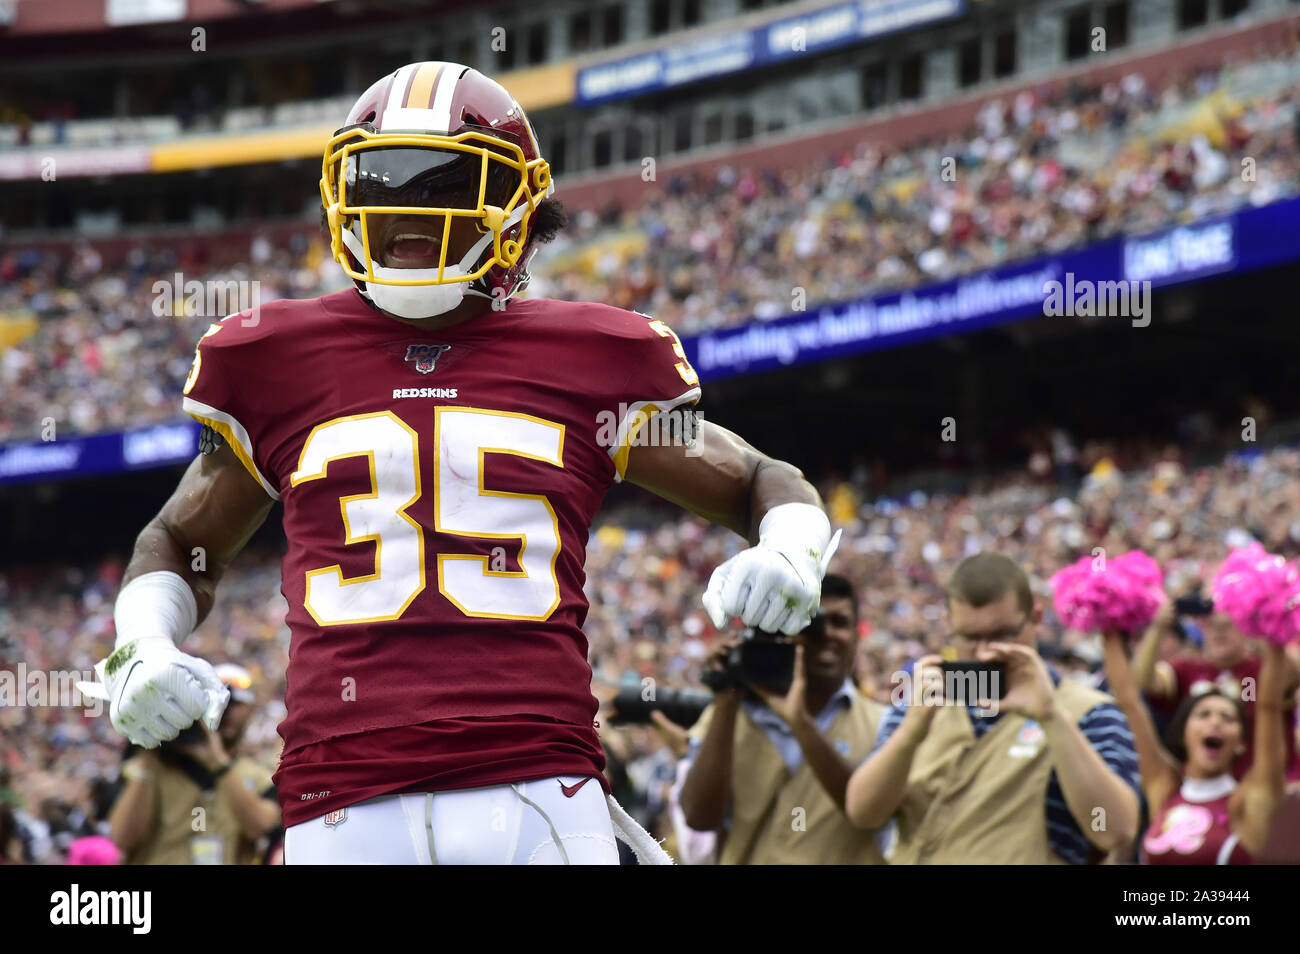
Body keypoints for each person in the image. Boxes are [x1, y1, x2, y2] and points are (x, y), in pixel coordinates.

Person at [83, 61, 838, 865]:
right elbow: (176, 539)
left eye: (443, 181)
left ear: (519, 204)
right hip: (339, 793)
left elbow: (761, 478)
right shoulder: (276, 357)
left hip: (534, 779)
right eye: (382, 182)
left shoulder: (590, 355)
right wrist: (142, 642)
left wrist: (790, 544)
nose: (407, 208)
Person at [845, 552, 1141, 863]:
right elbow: (864, 815)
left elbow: (1115, 832)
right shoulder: (920, 705)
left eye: (1002, 634)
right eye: (970, 637)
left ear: (1036, 619)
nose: (986, 652)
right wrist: (911, 733)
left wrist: (1053, 718)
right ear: (949, 625)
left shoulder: (1090, 712)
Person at [679, 575, 886, 864]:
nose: (827, 633)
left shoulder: (883, 725)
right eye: (813, 621)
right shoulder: (728, 715)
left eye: (840, 622)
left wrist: (800, 723)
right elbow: (699, 818)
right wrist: (726, 696)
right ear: (787, 631)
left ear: (856, 634)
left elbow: (871, 812)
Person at [1101, 627, 1287, 864]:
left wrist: (1276, 635)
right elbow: (1130, 702)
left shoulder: (1249, 800)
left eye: (1227, 718)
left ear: (1240, 743)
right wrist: (1107, 627)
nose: (1215, 722)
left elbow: (1269, 709)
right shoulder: (1164, 788)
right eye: (1204, 714)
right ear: (1184, 732)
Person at [107, 664, 278, 864]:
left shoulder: (257, 776)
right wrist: (150, 751)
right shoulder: (152, 768)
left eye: (234, 704)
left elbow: (261, 827)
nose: (224, 712)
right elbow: (121, 839)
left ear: (251, 710)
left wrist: (218, 762)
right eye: (214, 704)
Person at [1132, 599, 1300, 780]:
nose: (1219, 632)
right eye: (1211, 625)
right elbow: (1143, 680)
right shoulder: (1187, 669)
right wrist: (1158, 628)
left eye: (1227, 625)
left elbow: (1295, 673)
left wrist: (1262, 628)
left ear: (1244, 628)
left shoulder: (1265, 668)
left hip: (1267, 789)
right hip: (1203, 792)